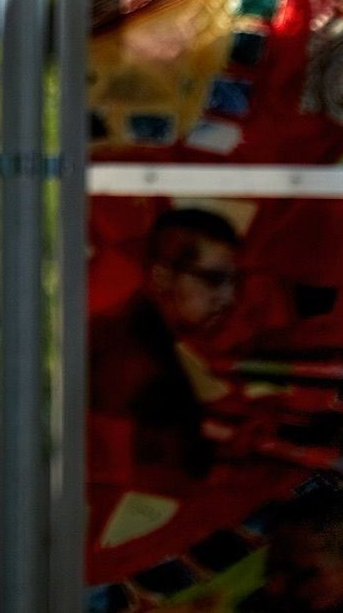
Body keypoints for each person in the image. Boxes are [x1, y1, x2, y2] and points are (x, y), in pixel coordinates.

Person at [88, 208, 241, 490]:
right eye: (213, 280)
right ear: (161, 277)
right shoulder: (128, 355)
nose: (228, 298)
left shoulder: (143, 334)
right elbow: (124, 474)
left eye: (233, 282)